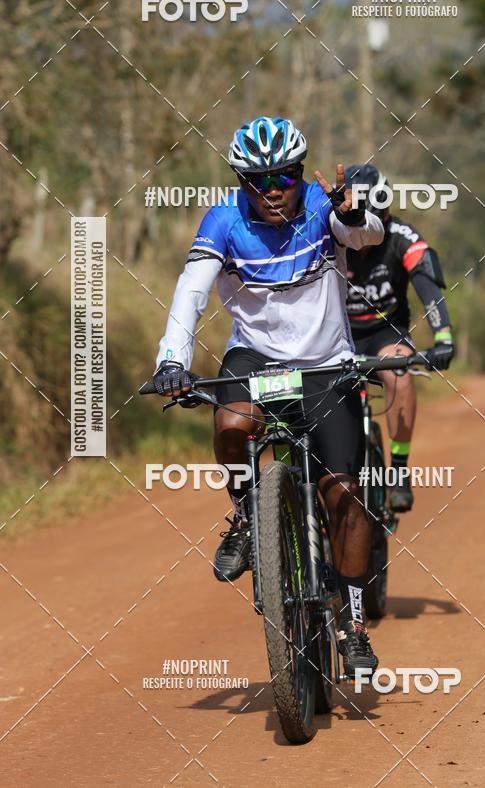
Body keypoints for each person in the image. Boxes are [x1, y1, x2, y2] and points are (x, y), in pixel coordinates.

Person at [150, 116, 384, 676]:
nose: (273, 190)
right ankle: (245, 516)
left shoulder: (323, 208)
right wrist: (172, 360)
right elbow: (191, 292)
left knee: (346, 496)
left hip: (325, 364)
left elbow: (365, 234)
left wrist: (354, 216)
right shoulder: (224, 221)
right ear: (242, 182)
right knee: (232, 426)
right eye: (259, 180)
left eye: (285, 176)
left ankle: (352, 623)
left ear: (301, 174)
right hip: (256, 358)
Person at [344, 164, 454, 512]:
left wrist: (443, 336)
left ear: (386, 214)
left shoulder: (401, 236)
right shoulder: (329, 234)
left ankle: (399, 470)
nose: (365, 241)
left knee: (400, 373)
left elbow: (427, 284)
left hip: (385, 334)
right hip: (336, 336)